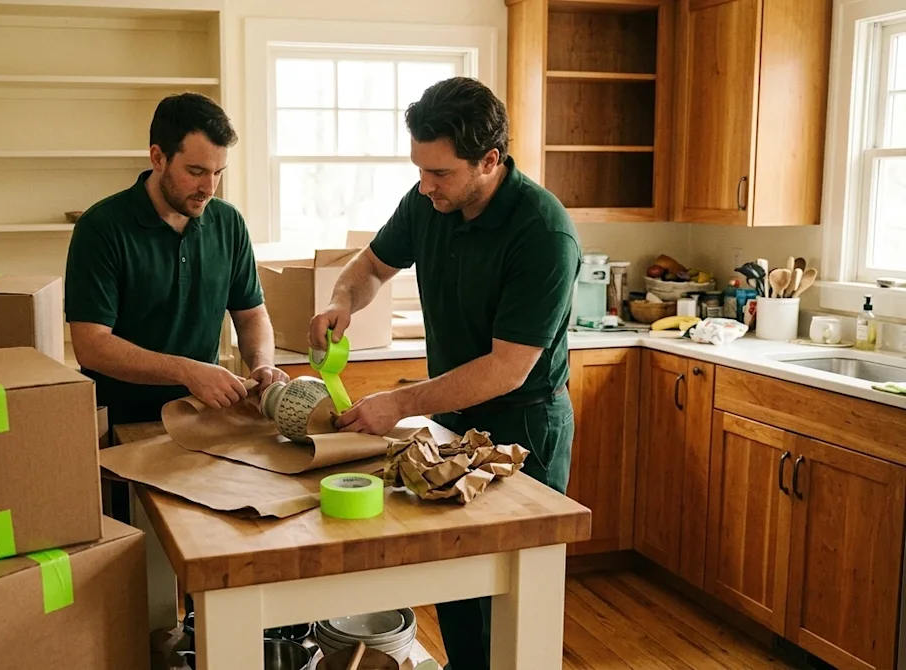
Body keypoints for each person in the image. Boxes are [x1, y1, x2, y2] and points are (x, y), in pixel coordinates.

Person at [308, 77, 581, 670]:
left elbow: (508, 368)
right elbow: (372, 266)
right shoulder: (427, 202)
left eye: (441, 173)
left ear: (489, 160)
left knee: (508, 604)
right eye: (420, 169)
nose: (425, 185)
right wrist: (341, 300)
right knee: (458, 587)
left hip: (523, 425)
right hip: (455, 419)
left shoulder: (542, 233)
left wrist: (400, 403)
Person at [65, 92, 289, 513]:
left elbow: (252, 312)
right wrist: (187, 370)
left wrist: (261, 363)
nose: (209, 187)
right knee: (137, 556)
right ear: (158, 157)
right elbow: (90, 344)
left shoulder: (228, 223)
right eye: (196, 171)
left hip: (203, 422)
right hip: (119, 427)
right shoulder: (101, 228)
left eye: (218, 172)